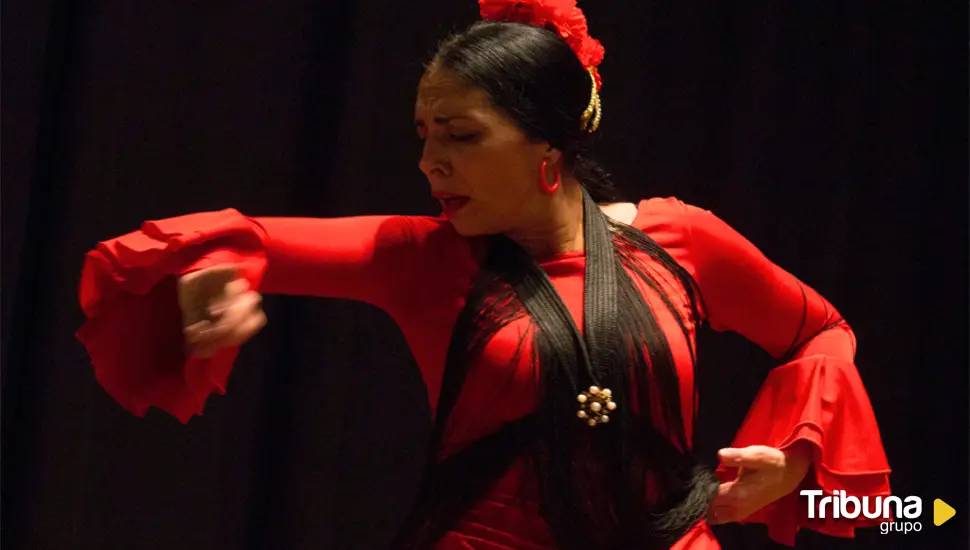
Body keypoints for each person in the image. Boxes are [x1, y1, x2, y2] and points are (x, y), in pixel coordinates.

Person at [75, 0, 892, 548]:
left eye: (461, 135)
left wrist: (793, 457)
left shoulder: (682, 239)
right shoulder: (420, 257)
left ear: (549, 142)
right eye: (424, 134)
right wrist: (213, 276)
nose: (430, 163)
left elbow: (821, 332)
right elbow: (244, 240)